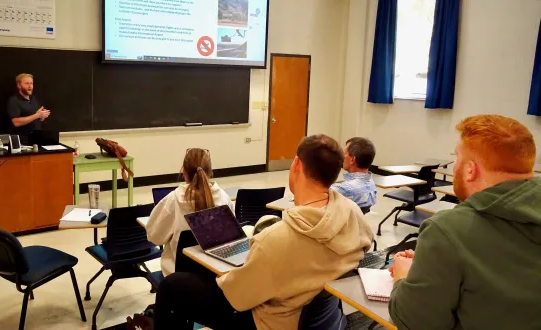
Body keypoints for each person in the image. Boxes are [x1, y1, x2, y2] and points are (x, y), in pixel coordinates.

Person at [154, 135, 373, 330]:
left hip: (270, 321)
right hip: (322, 318)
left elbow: (237, 297)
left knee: (173, 286)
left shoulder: (275, 239)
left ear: (296, 164)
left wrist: (233, 273)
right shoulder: (352, 213)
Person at [389, 115, 541, 330]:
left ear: (470, 170)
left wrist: (403, 276)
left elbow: (416, 321)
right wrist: (432, 262)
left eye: (457, 157)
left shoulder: (448, 229)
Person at [146, 148, 234, 277]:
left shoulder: (173, 200)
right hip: (215, 276)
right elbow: (232, 236)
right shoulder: (224, 198)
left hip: (179, 279)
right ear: (210, 172)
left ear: (184, 172)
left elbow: (154, 237)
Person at [332, 137, 377, 208]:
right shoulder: (371, 184)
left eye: (344, 153)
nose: (341, 157)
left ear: (352, 159)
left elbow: (315, 195)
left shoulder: (342, 189)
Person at [6, 73, 50, 143]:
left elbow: (38, 119)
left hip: (36, 138)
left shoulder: (34, 99)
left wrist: (42, 116)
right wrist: (37, 115)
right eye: (27, 83)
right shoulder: (14, 100)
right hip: (21, 141)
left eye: (31, 83)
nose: (30, 86)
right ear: (19, 86)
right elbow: (16, 122)